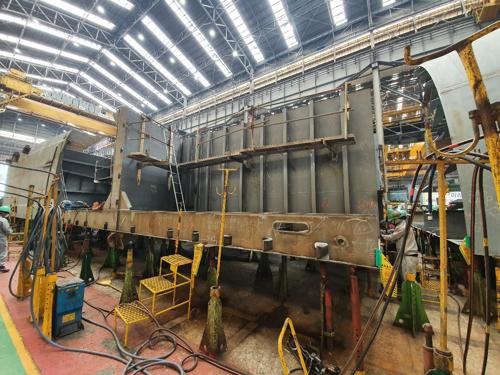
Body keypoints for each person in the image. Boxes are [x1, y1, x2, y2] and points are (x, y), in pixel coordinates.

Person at [381, 208, 420, 281]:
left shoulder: (403, 227)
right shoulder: (401, 225)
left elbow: (393, 236)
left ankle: (411, 292)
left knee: (410, 280)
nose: (392, 222)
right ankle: (407, 292)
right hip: (406, 256)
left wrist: (382, 236)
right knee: (406, 278)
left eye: (392, 220)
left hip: (409, 257)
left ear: (397, 219)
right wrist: (384, 232)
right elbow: (394, 231)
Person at [0, 205, 13, 273]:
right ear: (3, 213)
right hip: (1, 238)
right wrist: (11, 232)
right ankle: (1, 267)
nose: (7, 215)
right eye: (7, 213)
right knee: (2, 252)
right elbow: (7, 230)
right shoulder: (3, 220)